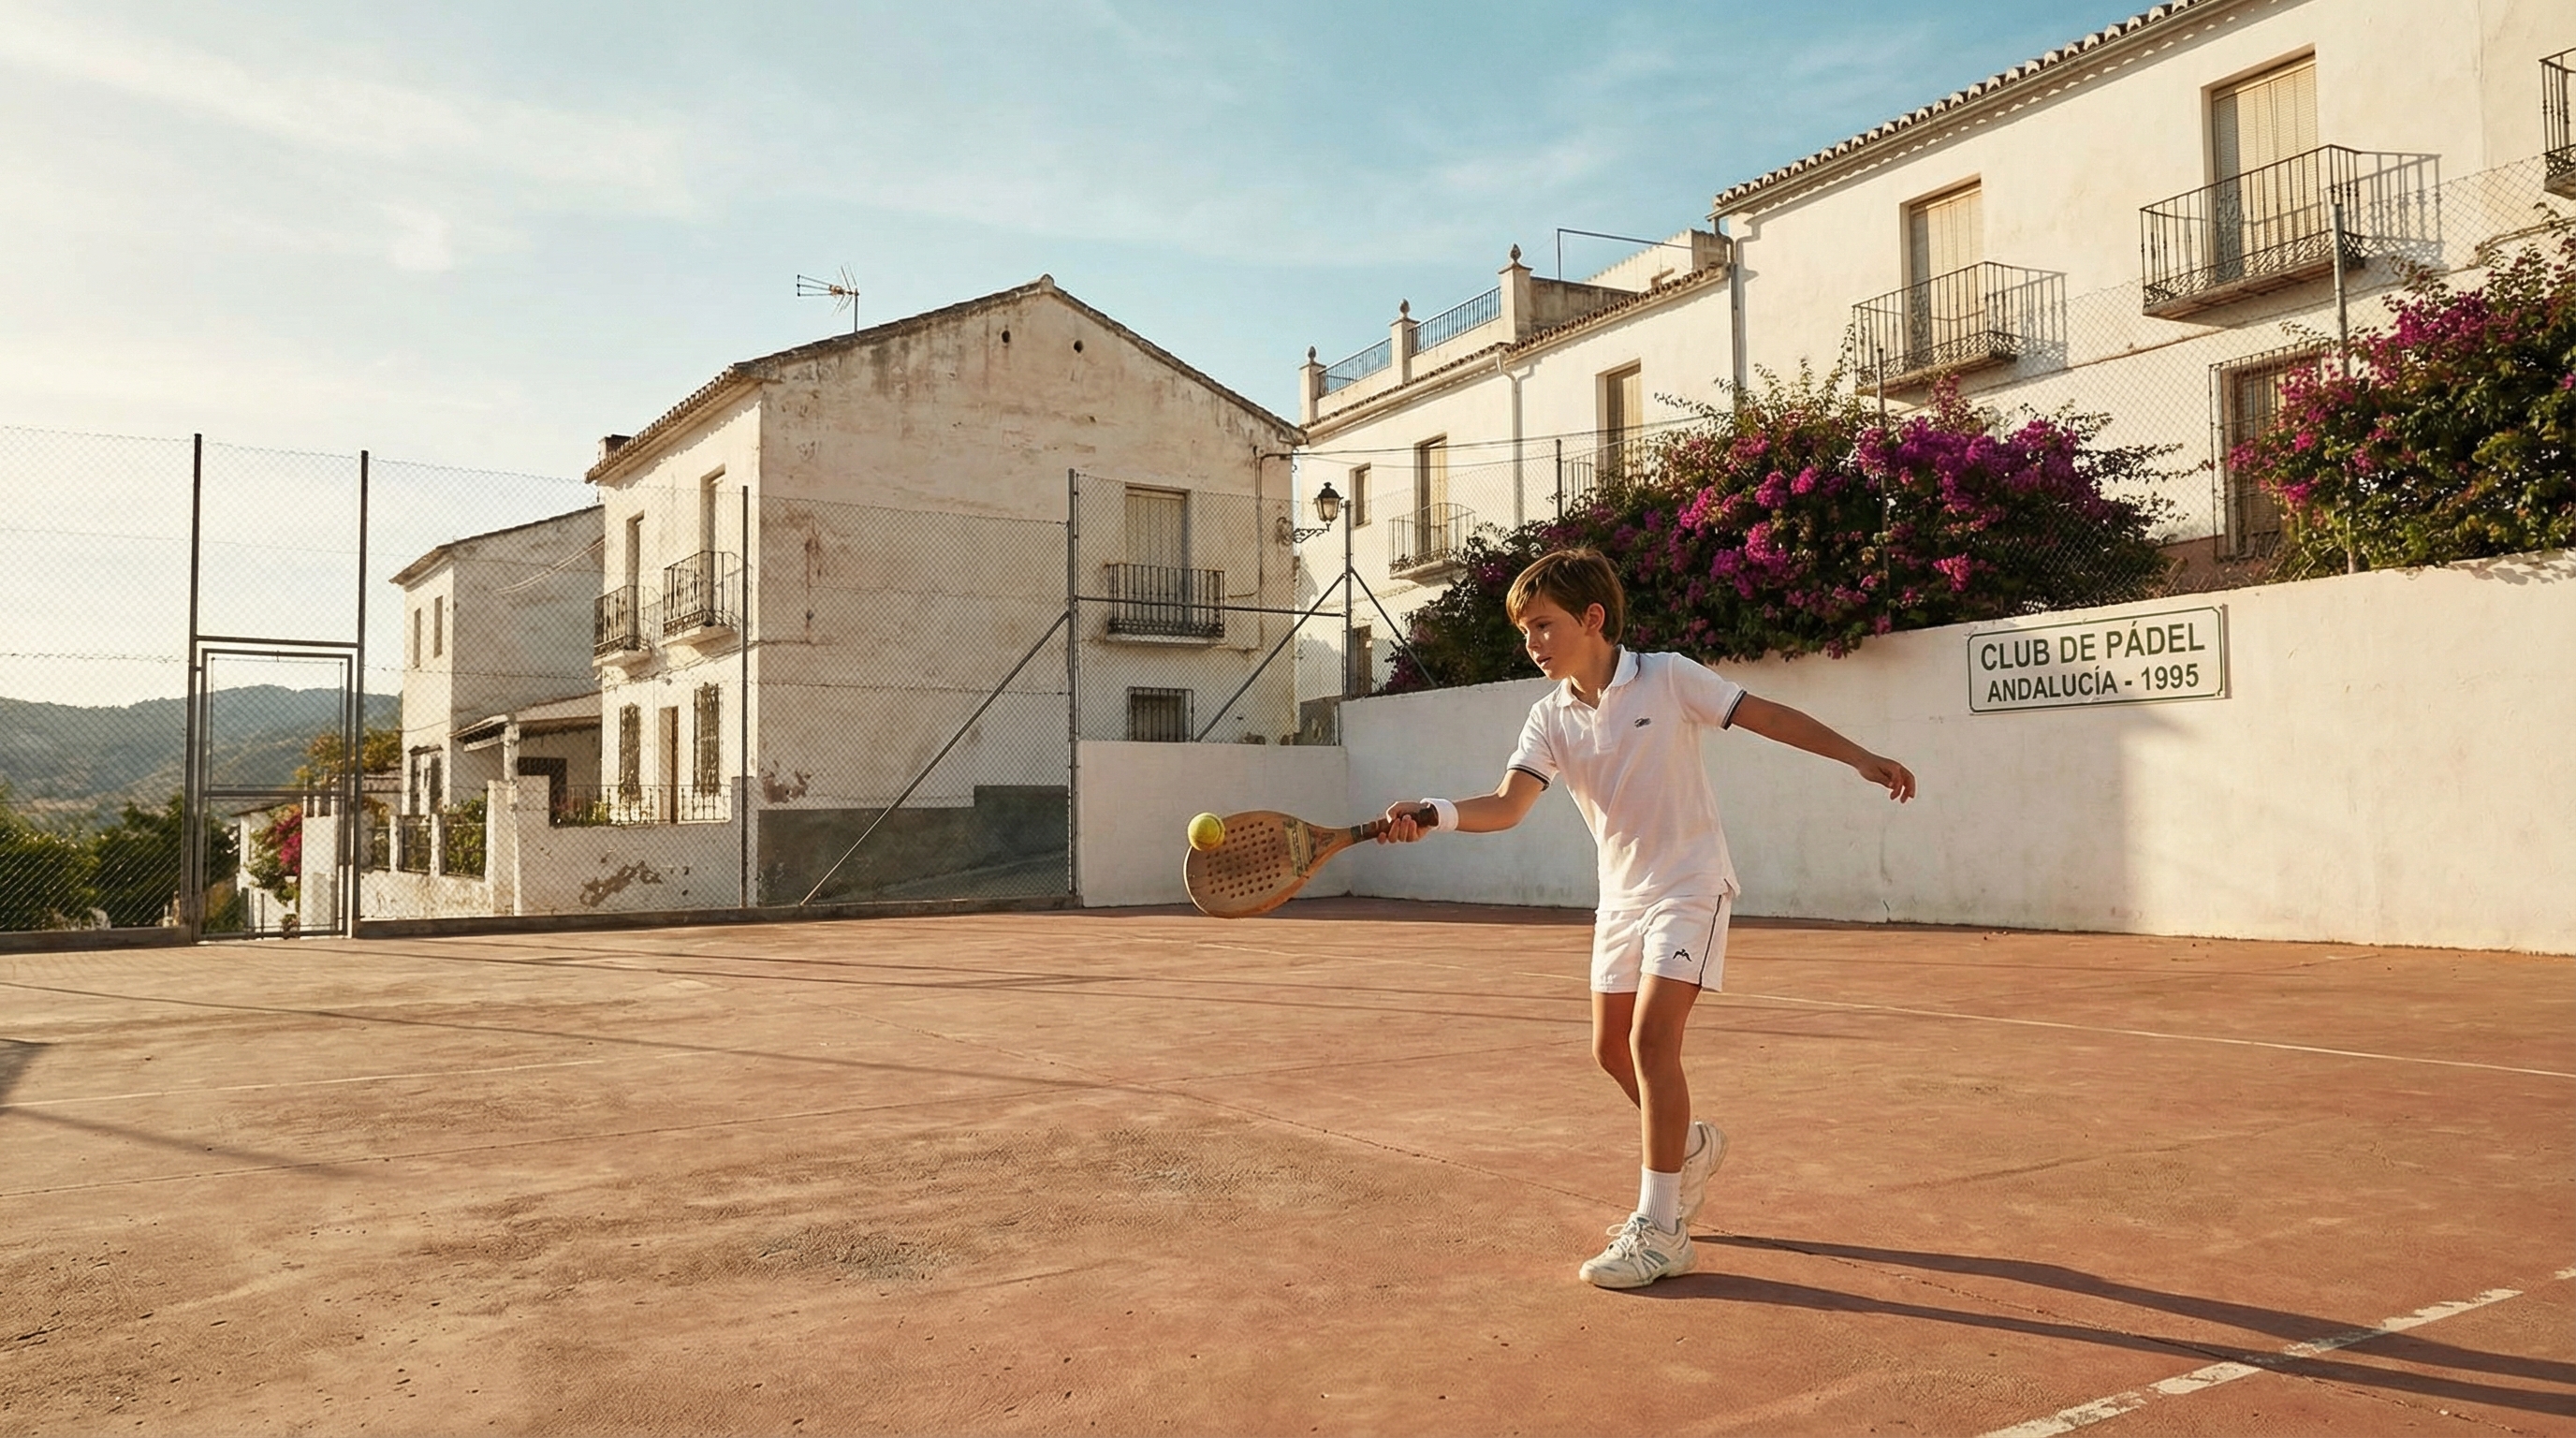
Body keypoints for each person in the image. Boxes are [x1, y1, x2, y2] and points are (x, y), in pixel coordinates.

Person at [1377, 548, 1914, 1288]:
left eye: (1543, 626)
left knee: (1652, 1039)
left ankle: (1662, 1229)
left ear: (1593, 618)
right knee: (1611, 1051)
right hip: (1622, 897)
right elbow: (1506, 805)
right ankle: (1688, 1147)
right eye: (1525, 631)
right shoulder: (1549, 717)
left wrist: (1858, 756)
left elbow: (1767, 714)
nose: (1532, 644)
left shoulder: (1667, 676)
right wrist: (1434, 813)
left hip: (1690, 885)